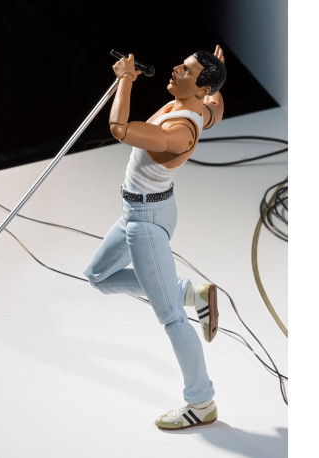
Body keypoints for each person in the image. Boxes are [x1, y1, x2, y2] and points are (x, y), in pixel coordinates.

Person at [84, 46, 226, 430]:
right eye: (183, 64)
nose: (176, 68)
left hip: (146, 222)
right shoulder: (200, 106)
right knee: (97, 276)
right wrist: (219, 75)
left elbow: (120, 130)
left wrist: (125, 81)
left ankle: (201, 402)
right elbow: (217, 106)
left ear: (201, 87)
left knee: (170, 317)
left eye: (188, 70)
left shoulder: (180, 132)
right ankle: (189, 291)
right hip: (139, 211)